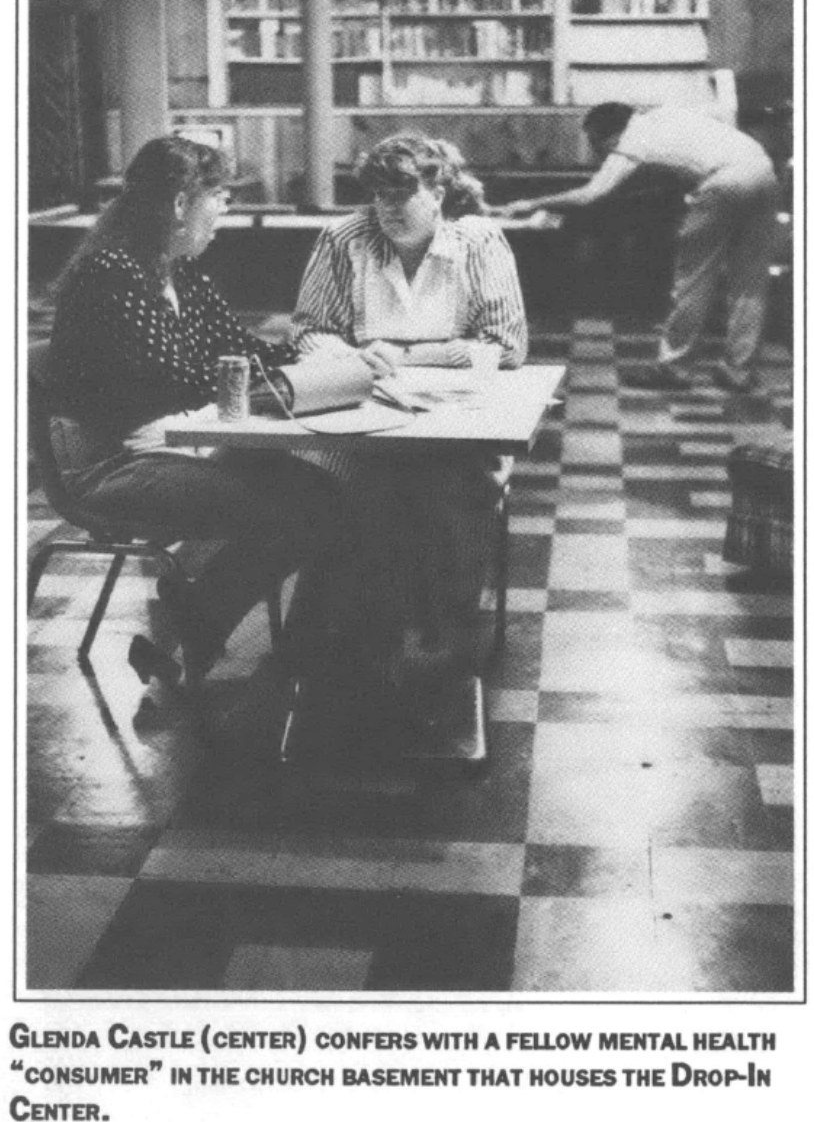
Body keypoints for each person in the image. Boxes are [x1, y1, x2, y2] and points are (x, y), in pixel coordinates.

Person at [47, 135, 341, 683]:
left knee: (323, 495)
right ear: (180, 204)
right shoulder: (112, 273)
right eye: (220, 195)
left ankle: (199, 626)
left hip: (176, 443)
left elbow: (238, 348)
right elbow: (177, 378)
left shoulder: (178, 272)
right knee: (293, 511)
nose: (226, 209)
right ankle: (263, 646)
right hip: (115, 462)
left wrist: (326, 356)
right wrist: (276, 378)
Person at [291, 132, 528, 700]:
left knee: (446, 489)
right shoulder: (343, 238)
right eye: (377, 196)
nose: (387, 210)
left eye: (401, 195)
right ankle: (359, 647)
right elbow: (308, 331)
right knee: (360, 492)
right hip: (364, 425)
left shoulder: (478, 241)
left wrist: (405, 354)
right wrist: (353, 359)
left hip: (454, 428)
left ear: (440, 189)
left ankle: (438, 641)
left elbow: (507, 342)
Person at [503, 102, 780, 391]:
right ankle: (739, 372)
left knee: (693, 283)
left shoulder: (631, 141)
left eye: (598, 146)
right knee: (749, 282)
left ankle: (674, 369)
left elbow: (590, 195)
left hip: (722, 182)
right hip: (762, 169)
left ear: (609, 136)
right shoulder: (665, 114)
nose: (601, 154)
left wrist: (531, 203)